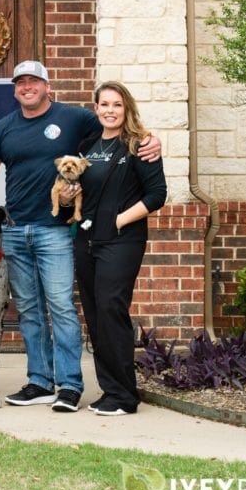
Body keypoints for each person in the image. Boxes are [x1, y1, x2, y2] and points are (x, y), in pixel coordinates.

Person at [0, 60, 161, 413]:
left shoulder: (75, 118)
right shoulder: (2, 130)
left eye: (34, 81)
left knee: (61, 307)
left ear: (47, 85)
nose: (27, 87)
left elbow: (117, 126)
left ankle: (70, 385)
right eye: (21, 82)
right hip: (14, 232)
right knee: (28, 309)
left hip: (56, 231)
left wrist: (150, 140)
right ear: (15, 89)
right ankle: (39, 381)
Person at [73, 81, 166, 416]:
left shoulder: (139, 145)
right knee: (96, 315)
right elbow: (80, 188)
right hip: (85, 241)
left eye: (117, 105)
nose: (110, 111)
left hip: (122, 240)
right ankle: (109, 390)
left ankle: (125, 396)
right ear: (95, 108)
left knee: (112, 308)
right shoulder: (87, 145)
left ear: (126, 108)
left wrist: (119, 220)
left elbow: (157, 194)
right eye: (104, 104)